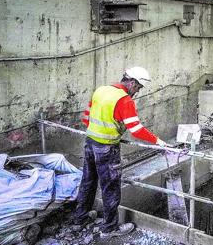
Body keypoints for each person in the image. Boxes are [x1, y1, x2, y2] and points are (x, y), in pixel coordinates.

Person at [72, 67, 169, 239]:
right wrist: (158, 141)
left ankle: (80, 218)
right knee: (110, 187)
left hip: (90, 143)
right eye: (138, 87)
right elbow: (136, 130)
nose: (137, 92)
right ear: (132, 82)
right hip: (107, 148)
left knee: (88, 181)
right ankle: (109, 228)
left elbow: (87, 117)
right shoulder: (124, 100)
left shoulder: (101, 91)